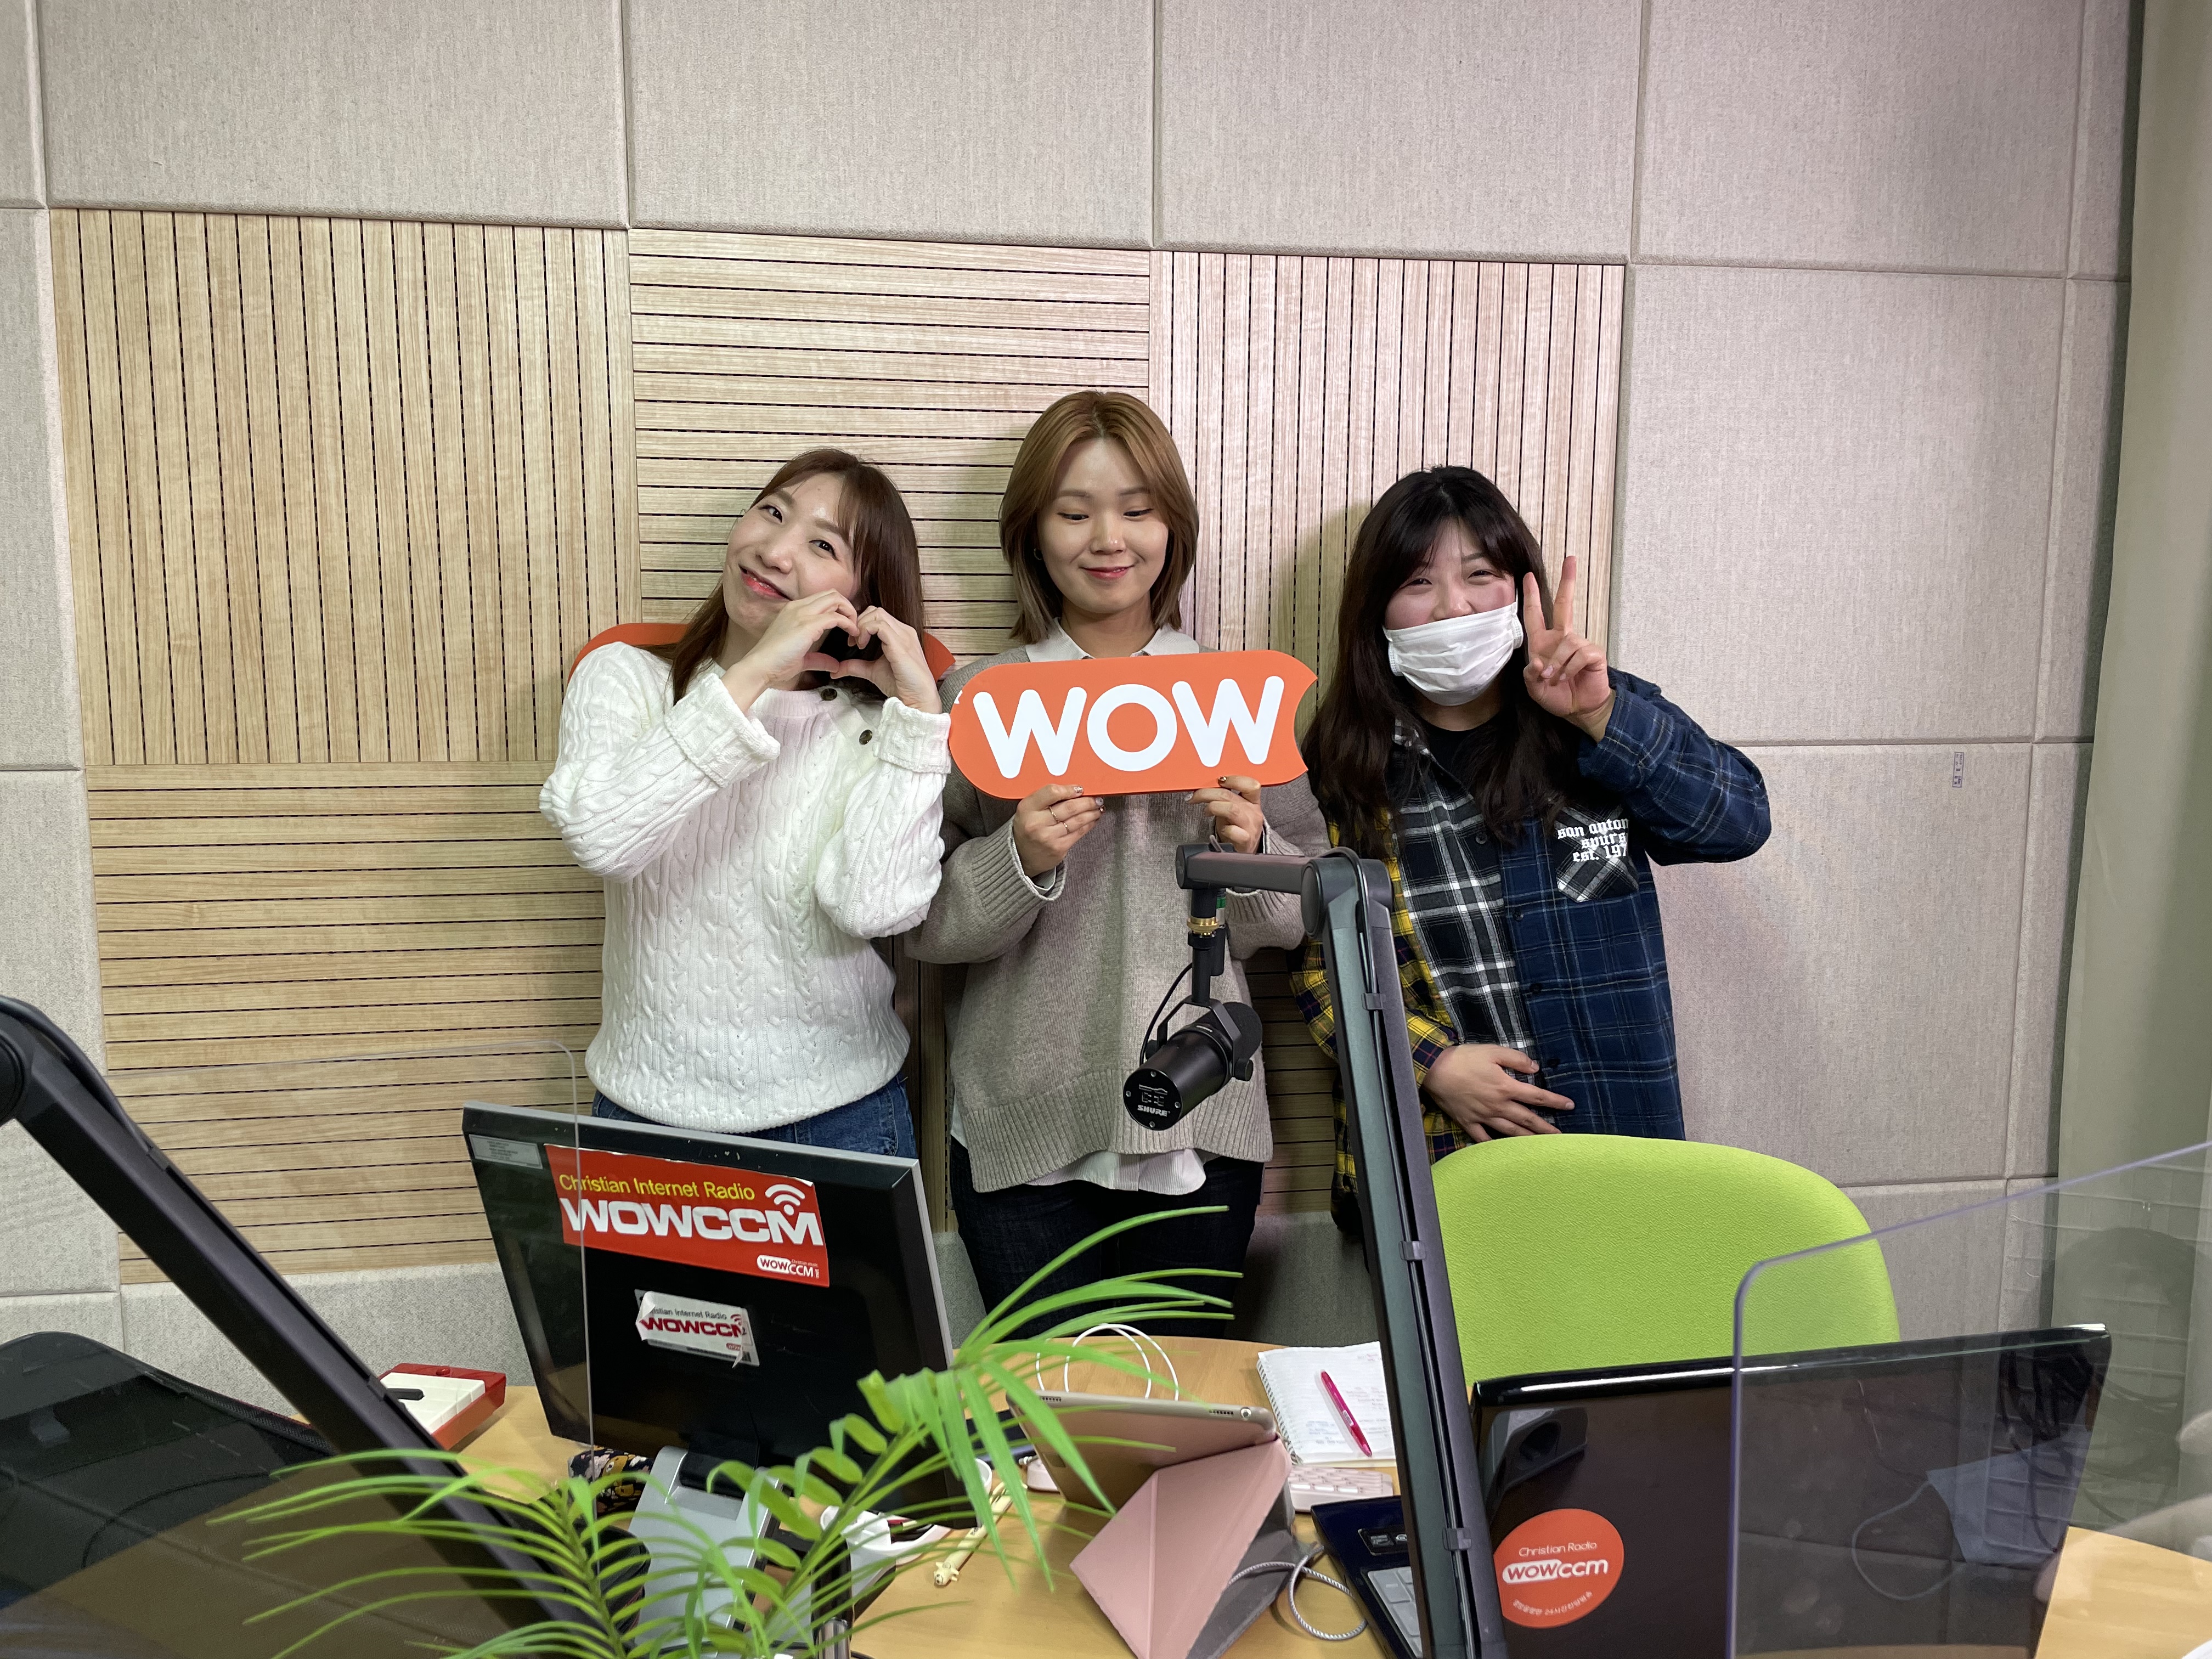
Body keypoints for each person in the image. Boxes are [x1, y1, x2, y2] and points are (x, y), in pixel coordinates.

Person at [910, 391, 1322, 1324]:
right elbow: (920, 922)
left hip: (1203, 1127)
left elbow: (1302, 910)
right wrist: (1017, 857)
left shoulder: (1235, 695)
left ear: (1173, 527)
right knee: (1047, 1406)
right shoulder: (975, 700)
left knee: (1188, 1406)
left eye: (1138, 509)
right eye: (1074, 512)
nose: (1109, 539)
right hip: (1023, 1135)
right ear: (1032, 531)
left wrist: (1254, 849)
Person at [1295, 465, 1768, 1217]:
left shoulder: (1594, 715)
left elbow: (1738, 821)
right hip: (1437, 1163)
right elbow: (1316, 965)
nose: (1452, 607)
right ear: (1376, 608)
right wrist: (1430, 1063)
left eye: (1479, 575)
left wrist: (1599, 715)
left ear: (1521, 588)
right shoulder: (1341, 766)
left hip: (1612, 1152)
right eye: (1418, 583)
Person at [540, 449, 950, 1155]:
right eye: (773, 512)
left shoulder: (876, 727)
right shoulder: (626, 678)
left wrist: (918, 720)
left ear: (865, 598)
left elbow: (874, 907)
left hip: (843, 1115)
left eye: (823, 546)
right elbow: (603, 839)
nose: (775, 551)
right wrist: (756, 669)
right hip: (647, 1111)